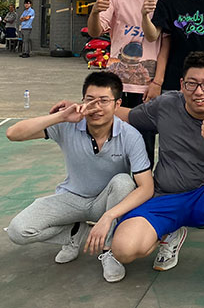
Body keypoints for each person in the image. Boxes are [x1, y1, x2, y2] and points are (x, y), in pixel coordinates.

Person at [108, 52, 204, 289]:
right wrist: (89, 107)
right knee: (123, 250)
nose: (199, 92)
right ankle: (170, 232)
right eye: (191, 84)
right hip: (164, 196)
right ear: (181, 84)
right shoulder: (166, 104)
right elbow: (129, 116)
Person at [6, 72, 154, 283]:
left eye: (103, 101)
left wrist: (108, 216)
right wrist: (61, 117)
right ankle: (75, 234)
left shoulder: (130, 136)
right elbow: (13, 133)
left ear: (117, 104)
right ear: (82, 101)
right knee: (18, 231)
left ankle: (109, 250)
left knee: (123, 182)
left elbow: (146, 187)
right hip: (71, 198)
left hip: (107, 201)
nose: (96, 107)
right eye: (90, 100)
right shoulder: (68, 126)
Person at [87, 0, 169, 166]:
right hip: (116, 86)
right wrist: (95, 12)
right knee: (112, 147)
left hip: (147, 88)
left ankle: (143, 187)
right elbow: (95, 31)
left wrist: (157, 82)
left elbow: (165, 45)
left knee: (145, 148)